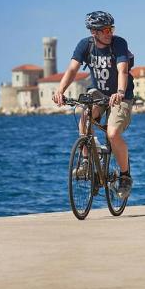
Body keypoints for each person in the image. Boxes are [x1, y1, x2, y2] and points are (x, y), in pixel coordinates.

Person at [53, 11, 135, 199]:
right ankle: (85, 161)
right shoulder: (85, 45)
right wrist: (60, 91)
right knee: (84, 118)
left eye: (111, 28)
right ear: (94, 32)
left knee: (112, 134)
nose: (109, 33)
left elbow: (122, 70)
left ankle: (125, 177)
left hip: (121, 96)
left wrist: (120, 92)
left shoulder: (119, 43)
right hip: (98, 92)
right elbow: (72, 69)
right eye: (105, 29)